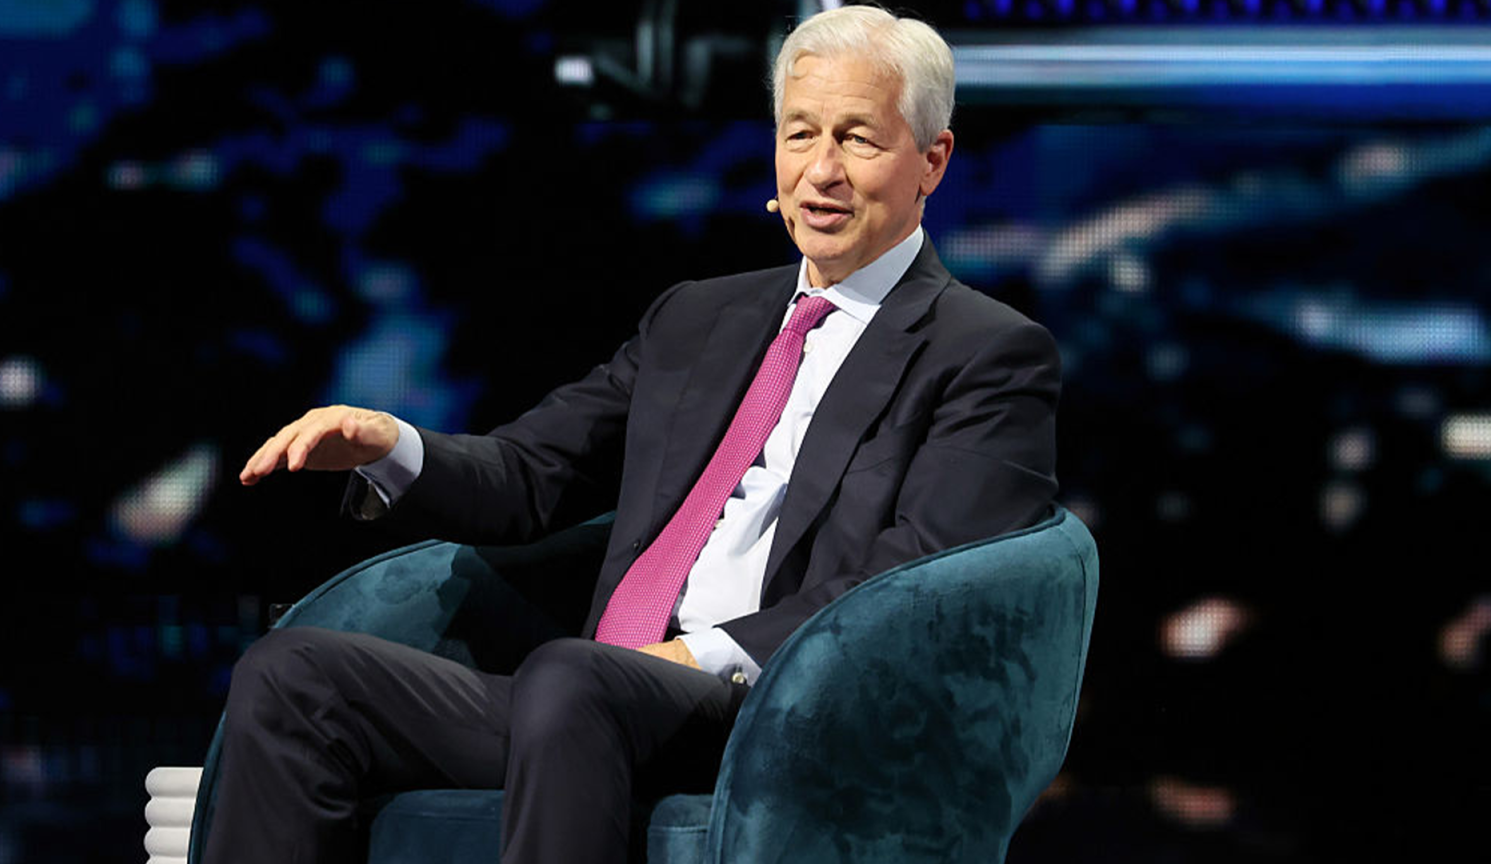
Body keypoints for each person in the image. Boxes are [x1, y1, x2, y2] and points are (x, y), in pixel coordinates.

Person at [207, 6, 1060, 863]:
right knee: (292, 677)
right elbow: (532, 472)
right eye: (800, 134)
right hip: (593, 698)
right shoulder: (697, 317)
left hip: (784, 710)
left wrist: (698, 656)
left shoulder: (985, 352)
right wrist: (390, 443)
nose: (821, 171)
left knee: (569, 678)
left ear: (932, 161)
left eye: (858, 139)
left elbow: (917, 583)